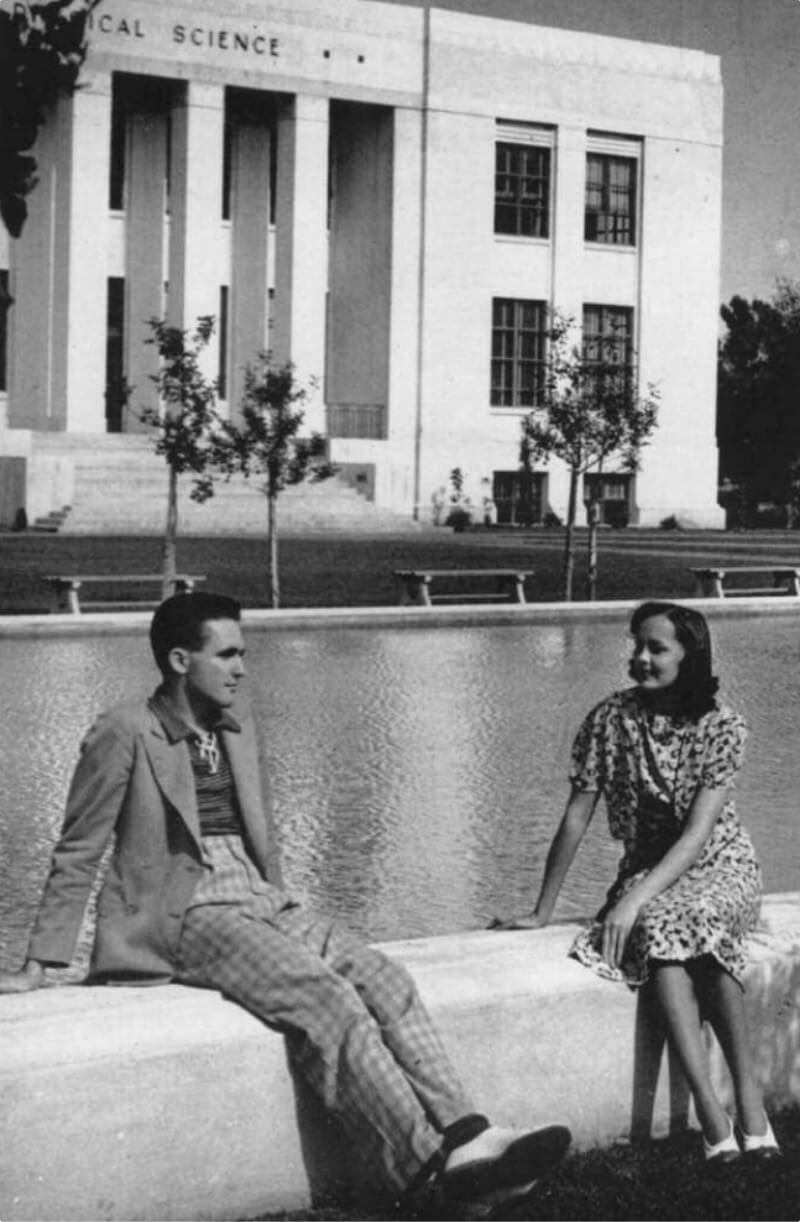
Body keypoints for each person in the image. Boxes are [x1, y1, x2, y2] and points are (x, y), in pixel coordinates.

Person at [0, 591, 570, 1214]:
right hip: (182, 909)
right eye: (228, 654)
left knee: (382, 974)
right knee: (321, 998)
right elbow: (78, 847)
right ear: (180, 660)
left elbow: (259, 837)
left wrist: (281, 902)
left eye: (243, 653)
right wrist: (40, 962)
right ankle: (425, 1175)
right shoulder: (124, 729)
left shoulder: (237, 727)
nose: (242, 667)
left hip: (257, 894)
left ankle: (468, 1135)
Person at [493, 601, 780, 1166]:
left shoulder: (723, 727)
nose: (640, 658)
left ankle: (749, 1101)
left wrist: (631, 902)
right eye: (637, 645)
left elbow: (699, 836)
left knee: (687, 921)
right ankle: (711, 1114)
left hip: (722, 865)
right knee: (664, 931)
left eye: (657, 648)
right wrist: (542, 910)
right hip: (650, 871)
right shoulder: (610, 719)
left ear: (689, 656)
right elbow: (576, 815)